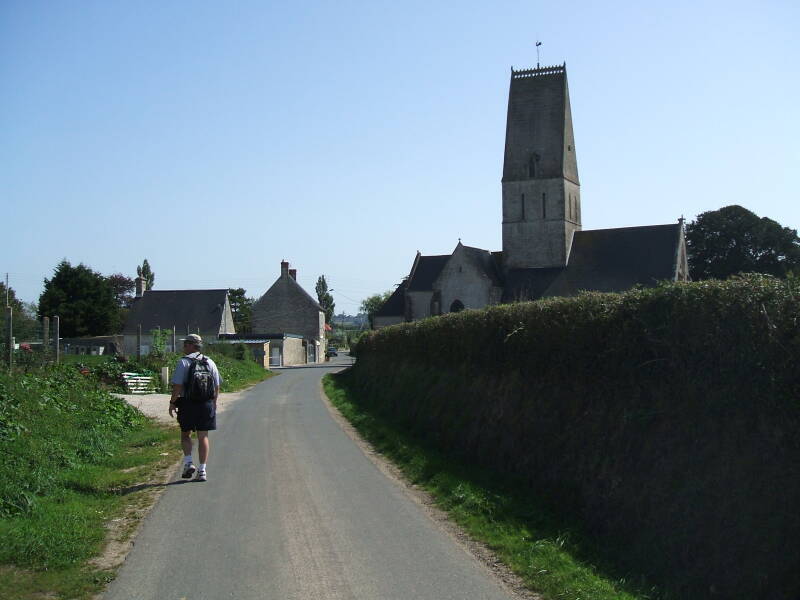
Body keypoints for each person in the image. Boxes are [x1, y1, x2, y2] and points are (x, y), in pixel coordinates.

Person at [168, 334, 222, 482]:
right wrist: (214, 402)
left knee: (185, 435)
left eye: (185, 344)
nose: (183, 347)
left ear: (191, 345)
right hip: (206, 404)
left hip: (188, 404)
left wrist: (172, 403)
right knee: (203, 436)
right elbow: (217, 386)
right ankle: (202, 470)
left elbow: (178, 386)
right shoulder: (210, 362)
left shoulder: (183, 362)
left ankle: (188, 462)